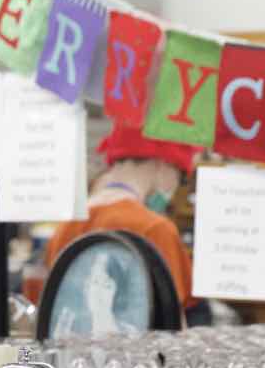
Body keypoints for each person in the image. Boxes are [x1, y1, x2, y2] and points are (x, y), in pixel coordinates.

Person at [44, 122, 197, 314]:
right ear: (164, 165)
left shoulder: (64, 228)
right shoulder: (155, 229)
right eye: (181, 177)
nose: (174, 189)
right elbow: (172, 324)